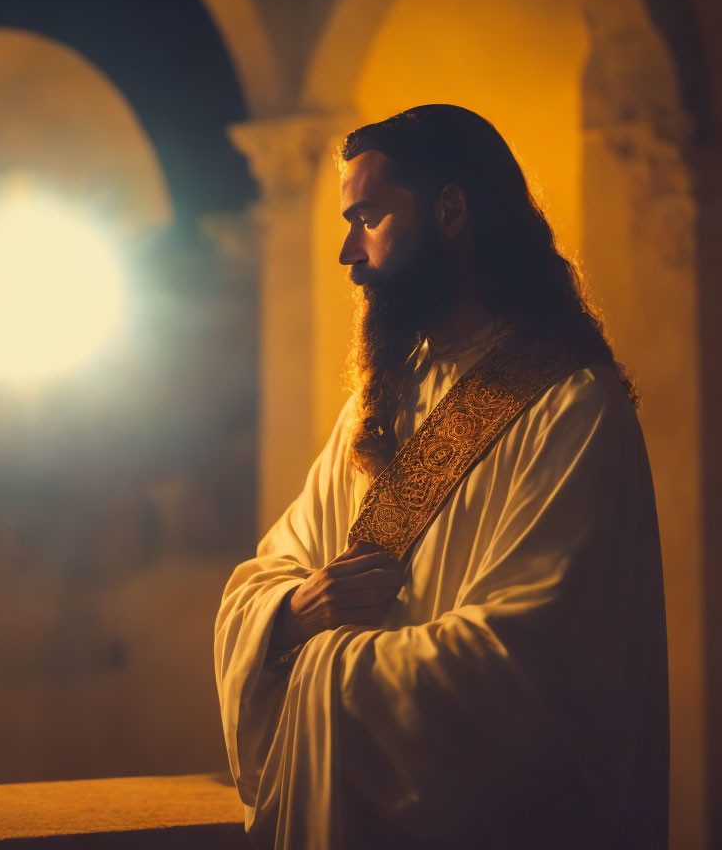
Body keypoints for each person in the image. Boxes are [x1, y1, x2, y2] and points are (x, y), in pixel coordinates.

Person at [213, 105, 669, 849]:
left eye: (367, 219)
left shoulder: (572, 408)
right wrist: (295, 613)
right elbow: (277, 570)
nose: (346, 252)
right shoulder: (379, 407)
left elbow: (533, 663)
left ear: (450, 210)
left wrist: (326, 663)